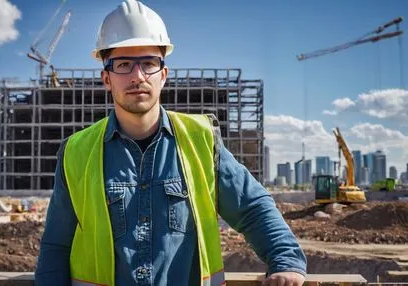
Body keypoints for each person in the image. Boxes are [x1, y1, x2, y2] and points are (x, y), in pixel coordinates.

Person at [35, 0, 307, 285]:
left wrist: (286, 261)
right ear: (106, 78)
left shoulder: (201, 140)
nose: (138, 76)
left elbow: (251, 208)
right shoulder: (77, 152)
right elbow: (56, 245)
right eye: (124, 64)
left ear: (163, 76)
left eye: (149, 63)